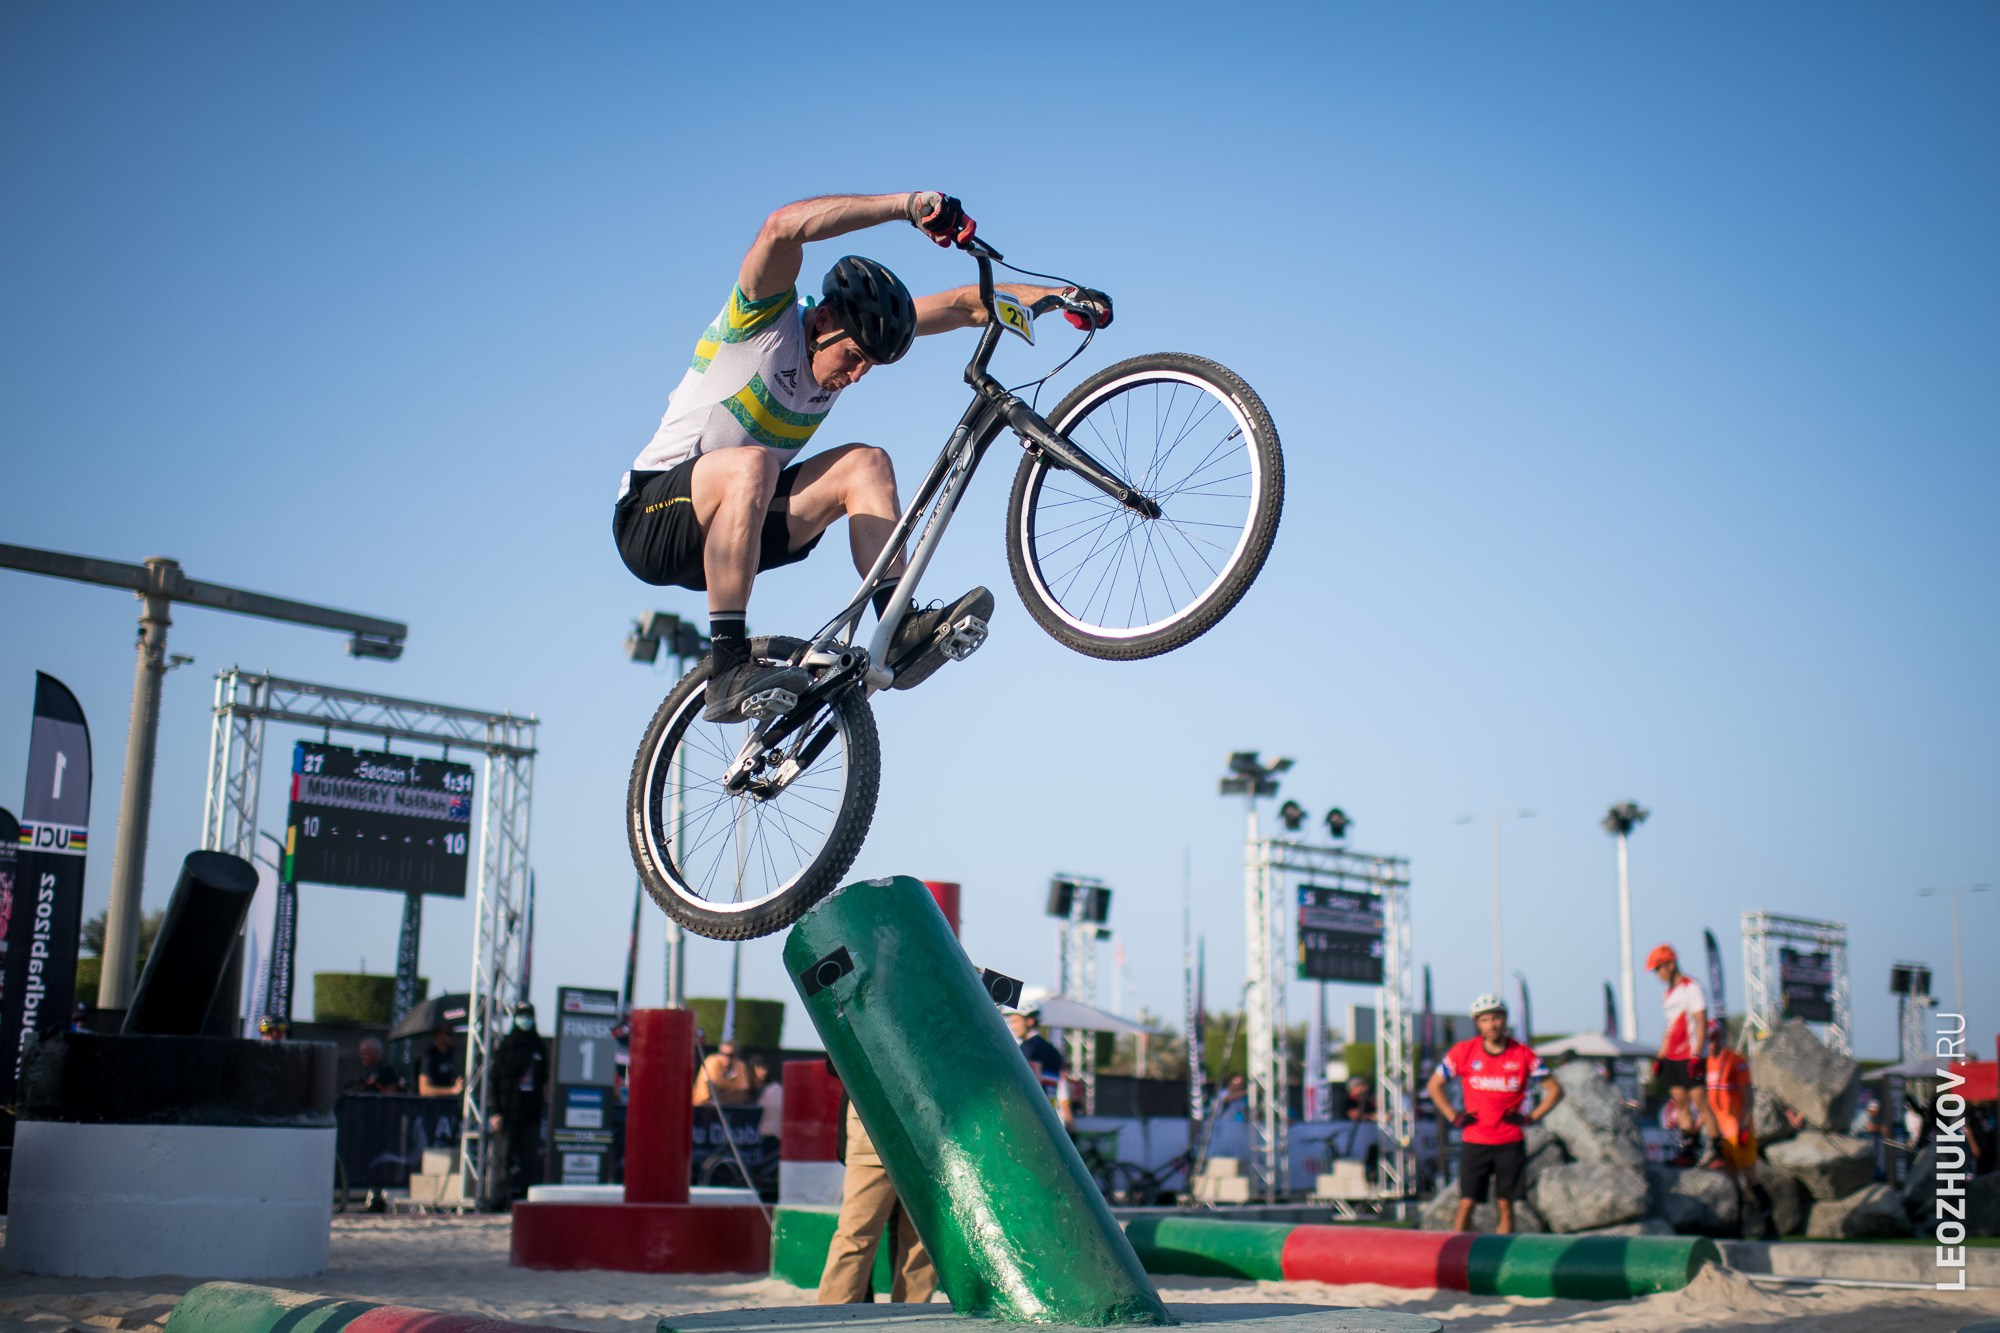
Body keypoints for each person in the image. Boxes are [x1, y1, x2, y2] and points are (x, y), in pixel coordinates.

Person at [611, 190, 1112, 723]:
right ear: (823, 320)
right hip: (653, 519)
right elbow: (782, 227)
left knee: (866, 462)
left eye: (870, 365)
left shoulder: (853, 341)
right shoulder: (760, 322)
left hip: (742, 527)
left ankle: (894, 629)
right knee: (753, 463)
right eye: (852, 356)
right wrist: (907, 206)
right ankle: (727, 666)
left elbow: (965, 305)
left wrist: (1061, 296)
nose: (855, 376)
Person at [1426, 993, 1563, 1235]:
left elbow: (1555, 1090)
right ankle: (1459, 1253)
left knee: (1505, 1204)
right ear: (1478, 1023)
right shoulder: (1463, 1051)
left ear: (1505, 1019)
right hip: (1475, 1140)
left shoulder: (1522, 1054)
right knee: (1466, 1202)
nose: (1491, 1025)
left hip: (1509, 1141)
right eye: (1485, 1020)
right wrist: (1453, 1115)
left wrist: (1531, 1117)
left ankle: (1501, 1256)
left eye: (1496, 1018)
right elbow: (1434, 1085)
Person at [816, 1098, 936, 1304]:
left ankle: (912, 1318)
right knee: (856, 1234)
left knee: (921, 1241)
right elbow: (835, 1066)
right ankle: (832, 1316)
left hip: (929, 1129)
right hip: (874, 1126)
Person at [1699, 1019, 1779, 1239]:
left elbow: (1747, 1095)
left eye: (1714, 1039)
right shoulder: (1708, 1065)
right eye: (1708, 1039)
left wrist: (1744, 1123)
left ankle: (1770, 1224)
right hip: (1721, 1133)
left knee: (1750, 1178)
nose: (1711, 1044)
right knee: (1731, 1182)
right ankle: (1738, 1228)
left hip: (1738, 1129)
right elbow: (1707, 1102)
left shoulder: (1736, 1061)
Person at [1648, 942, 1708, 1162]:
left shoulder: (1692, 988)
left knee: (1700, 1101)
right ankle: (1687, 1148)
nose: (1657, 975)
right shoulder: (1668, 995)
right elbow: (1669, 1028)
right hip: (1673, 1055)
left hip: (1690, 1054)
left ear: (1670, 965)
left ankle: (1716, 1145)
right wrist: (1660, 1056)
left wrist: (1697, 1054)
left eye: (1658, 969)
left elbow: (1701, 1023)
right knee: (1680, 1101)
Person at [487, 1001, 550, 1209]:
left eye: (528, 1015)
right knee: (502, 1163)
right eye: (522, 1015)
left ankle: (524, 1204)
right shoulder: (506, 1046)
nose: (525, 1018)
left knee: (529, 1163)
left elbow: (544, 1079)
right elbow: (494, 1081)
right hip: (507, 1112)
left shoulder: (539, 1045)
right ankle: (497, 1203)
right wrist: (495, 1111)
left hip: (530, 1114)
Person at [1007, 1004, 1070, 1128]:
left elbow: (1030, 1083)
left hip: (1033, 1115)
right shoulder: (1052, 1049)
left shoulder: (1028, 1048)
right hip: (1052, 1115)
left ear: (1029, 1021)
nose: (1012, 1027)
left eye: (1015, 1022)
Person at [695, 1038, 756, 1107]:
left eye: (731, 1055)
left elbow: (743, 1094)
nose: (726, 1058)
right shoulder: (712, 1062)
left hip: (731, 1108)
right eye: (723, 1054)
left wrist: (723, 1093)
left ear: (737, 1055)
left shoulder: (740, 1066)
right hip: (704, 1107)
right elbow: (712, 1094)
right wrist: (733, 1094)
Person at [418, 1023, 463, 1097]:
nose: (451, 1036)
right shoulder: (429, 1056)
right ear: (438, 1035)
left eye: (452, 1033)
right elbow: (424, 1090)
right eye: (448, 1033)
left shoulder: (454, 1053)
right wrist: (452, 1090)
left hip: (453, 1103)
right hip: (435, 1104)